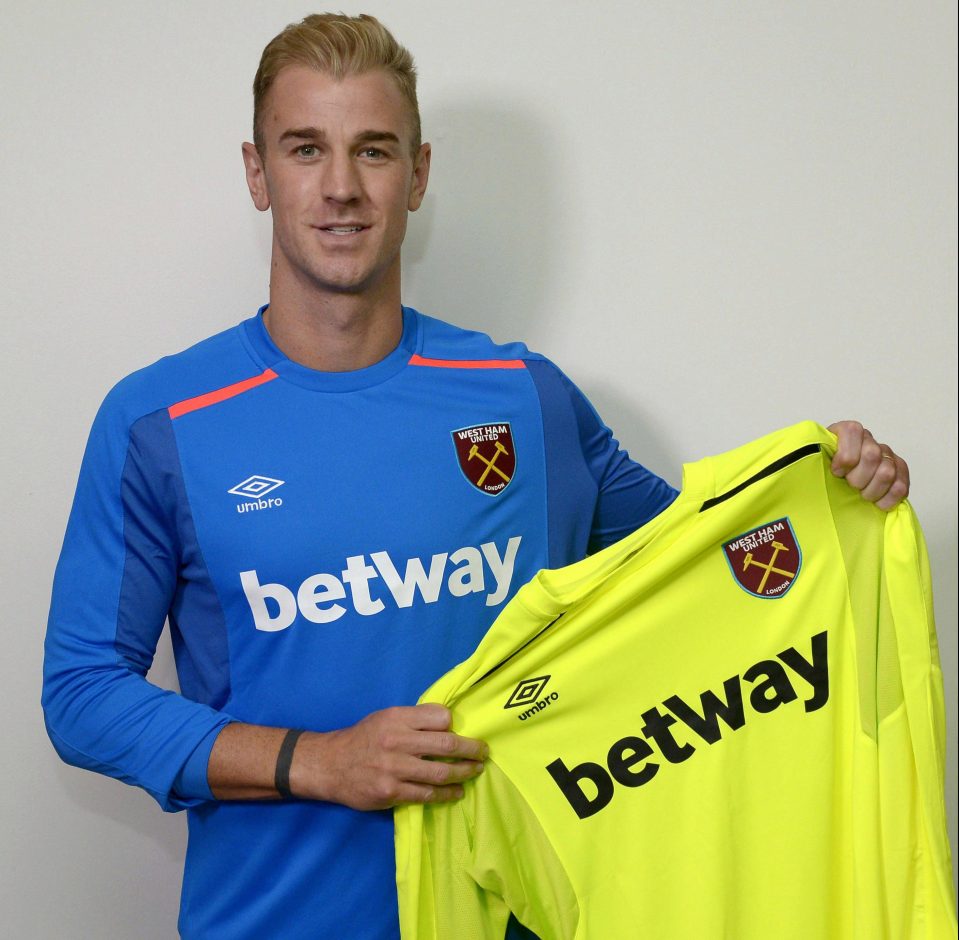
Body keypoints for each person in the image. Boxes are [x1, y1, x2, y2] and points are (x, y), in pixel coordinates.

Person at [42, 13, 911, 940]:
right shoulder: (161, 422)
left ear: (417, 175)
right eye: (305, 150)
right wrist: (320, 761)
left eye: (373, 151)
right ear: (257, 173)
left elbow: (702, 573)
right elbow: (84, 694)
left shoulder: (523, 399)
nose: (340, 188)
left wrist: (827, 495)